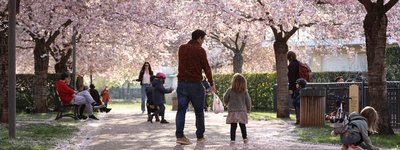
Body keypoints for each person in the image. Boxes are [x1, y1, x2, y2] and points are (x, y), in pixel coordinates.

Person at [175, 29, 216, 145]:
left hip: (182, 83)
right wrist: (211, 83)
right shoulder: (200, 50)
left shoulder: (181, 48)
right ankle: (200, 136)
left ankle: (180, 136)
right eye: (203, 39)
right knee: (199, 111)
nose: (203, 42)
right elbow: (207, 68)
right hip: (195, 84)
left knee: (181, 110)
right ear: (199, 38)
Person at [223, 73, 251, 144]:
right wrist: (248, 109)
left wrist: (226, 103)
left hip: (232, 111)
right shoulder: (245, 91)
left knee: (233, 126)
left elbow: (225, 98)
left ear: (233, 82)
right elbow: (248, 101)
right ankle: (245, 138)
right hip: (242, 111)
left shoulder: (230, 90)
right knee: (242, 125)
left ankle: (232, 140)